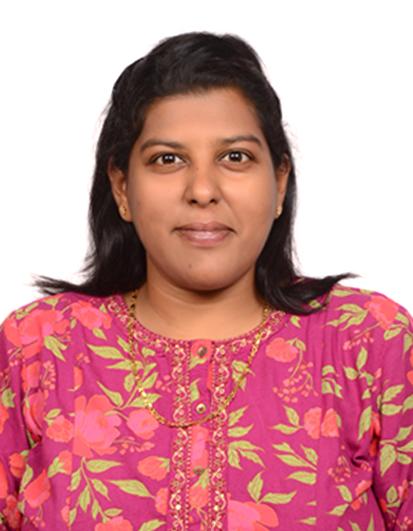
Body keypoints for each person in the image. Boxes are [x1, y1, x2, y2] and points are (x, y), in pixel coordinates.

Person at [0, 31, 412, 531]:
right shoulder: (40, 348)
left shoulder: (367, 341)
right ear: (122, 188)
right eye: (167, 159)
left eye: (235, 157)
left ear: (279, 182)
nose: (201, 190)